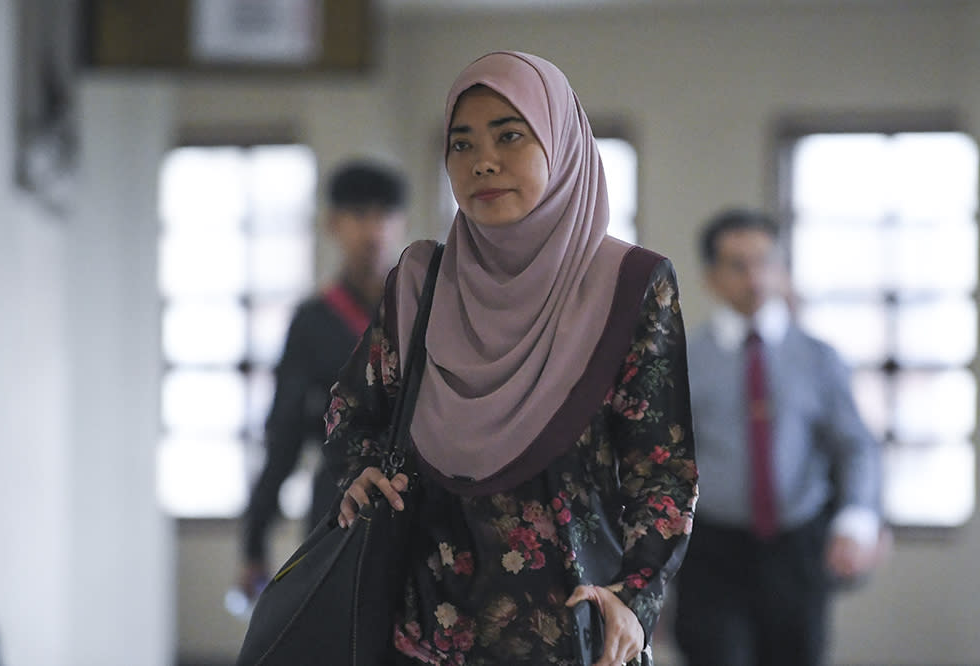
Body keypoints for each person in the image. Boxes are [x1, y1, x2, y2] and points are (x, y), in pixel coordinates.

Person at [324, 51, 697, 666]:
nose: (483, 162)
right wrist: (360, 471)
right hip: (425, 635)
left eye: (510, 136)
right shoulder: (420, 280)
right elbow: (354, 409)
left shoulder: (631, 285)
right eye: (461, 144)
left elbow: (664, 467)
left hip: (576, 634)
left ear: (561, 144)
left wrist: (637, 596)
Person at [673, 208, 885, 666]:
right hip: (712, 551)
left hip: (797, 547)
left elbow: (856, 447)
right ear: (711, 277)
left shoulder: (818, 357)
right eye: (738, 264)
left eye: (765, 261)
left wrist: (857, 520)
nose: (755, 277)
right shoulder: (684, 360)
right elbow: (661, 460)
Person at [237, 160, 407, 601]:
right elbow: (284, 437)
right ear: (333, 223)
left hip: (415, 510)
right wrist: (254, 544)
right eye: (359, 215)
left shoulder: (419, 315)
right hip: (336, 511)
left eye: (384, 215)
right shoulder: (312, 323)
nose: (374, 230)